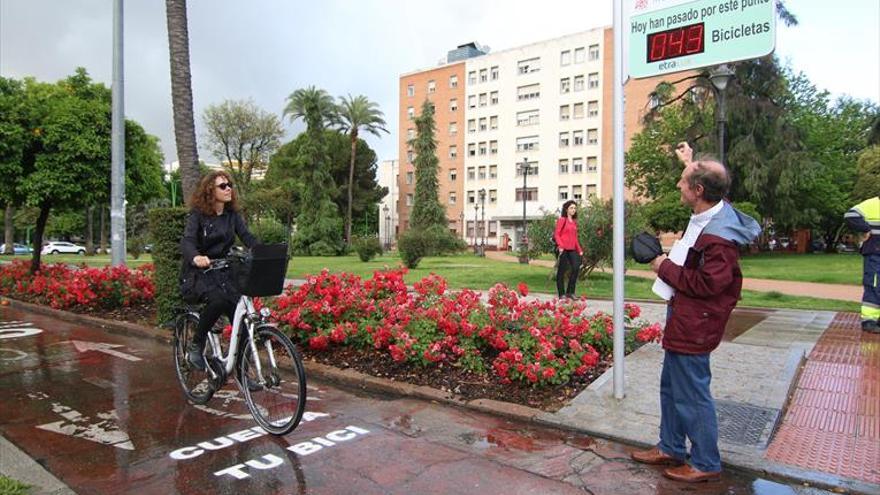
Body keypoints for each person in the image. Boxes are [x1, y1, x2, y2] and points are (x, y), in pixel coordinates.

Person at [631, 142, 761, 482]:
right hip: (685, 315)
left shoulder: (719, 238)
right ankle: (671, 446)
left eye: (684, 181)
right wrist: (689, 162)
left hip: (696, 321)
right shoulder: (712, 212)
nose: (678, 185)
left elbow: (707, 285)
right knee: (672, 388)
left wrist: (662, 266)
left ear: (699, 190)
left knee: (692, 394)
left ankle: (704, 461)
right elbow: (706, 181)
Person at [181, 171, 257, 370]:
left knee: (240, 316)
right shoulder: (198, 215)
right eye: (222, 186)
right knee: (218, 300)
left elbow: (247, 236)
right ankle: (196, 345)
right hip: (200, 273)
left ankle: (242, 370)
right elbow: (188, 240)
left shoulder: (232, 215)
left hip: (224, 271)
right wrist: (196, 257)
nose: (228, 188)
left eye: (229, 184)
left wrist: (264, 251)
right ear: (210, 191)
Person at [844, 196, 880, 333]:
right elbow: (850, 215)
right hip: (875, 253)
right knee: (874, 284)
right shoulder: (873, 204)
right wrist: (865, 229)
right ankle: (869, 320)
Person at [554, 200, 584, 299]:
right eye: (571, 208)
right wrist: (561, 246)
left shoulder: (574, 222)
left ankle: (570, 292)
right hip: (563, 249)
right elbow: (557, 234)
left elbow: (575, 238)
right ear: (566, 209)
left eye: (575, 208)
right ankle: (561, 294)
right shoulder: (562, 220)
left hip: (572, 249)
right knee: (561, 271)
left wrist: (579, 250)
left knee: (576, 267)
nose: (573, 210)